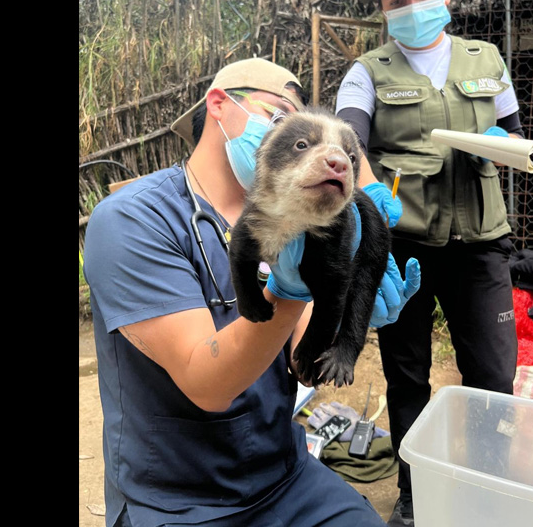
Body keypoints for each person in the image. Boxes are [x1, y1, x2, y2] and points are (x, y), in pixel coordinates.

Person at [83, 57, 421, 527]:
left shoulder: (304, 219)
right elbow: (208, 384)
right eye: (280, 118)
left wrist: (345, 320)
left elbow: (304, 371)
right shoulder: (132, 220)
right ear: (220, 105)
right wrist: (289, 293)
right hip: (178, 500)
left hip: (284, 475)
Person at [334, 0, 522, 526]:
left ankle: (487, 484)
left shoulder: (486, 60)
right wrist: (365, 192)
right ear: (383, 8)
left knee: (492, 375)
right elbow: (346, 141)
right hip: (404, 245)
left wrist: (506, 145)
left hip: (482, 245)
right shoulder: (368, 71)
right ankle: (416, 495)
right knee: (407, 373)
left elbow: (519, 137)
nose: (412, 5)